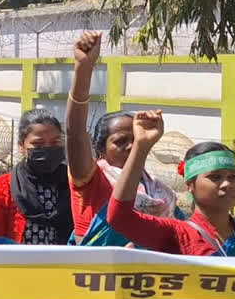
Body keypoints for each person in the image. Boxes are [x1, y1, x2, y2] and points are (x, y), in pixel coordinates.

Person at [66, 32, 182, 246]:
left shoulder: (160, 193)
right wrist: (83, 68)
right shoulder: (93, 180)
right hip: (95, 275)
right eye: (120, 141)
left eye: (135, 139)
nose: (131, 145)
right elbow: (75, 132)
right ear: (100, 151)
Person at [106, 111, 235, 256]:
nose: (227, 183)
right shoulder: (177, 234)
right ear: (190, 184)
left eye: (233, 176)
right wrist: (141, 147)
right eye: (215, 177)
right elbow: (120, 217)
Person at [0, 110, 73, 244]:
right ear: (21, 146)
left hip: (69, 263)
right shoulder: (3, 187)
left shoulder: (75, 185)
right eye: (38, 144)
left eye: (55, 142)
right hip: (14, 263)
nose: (47, 149)